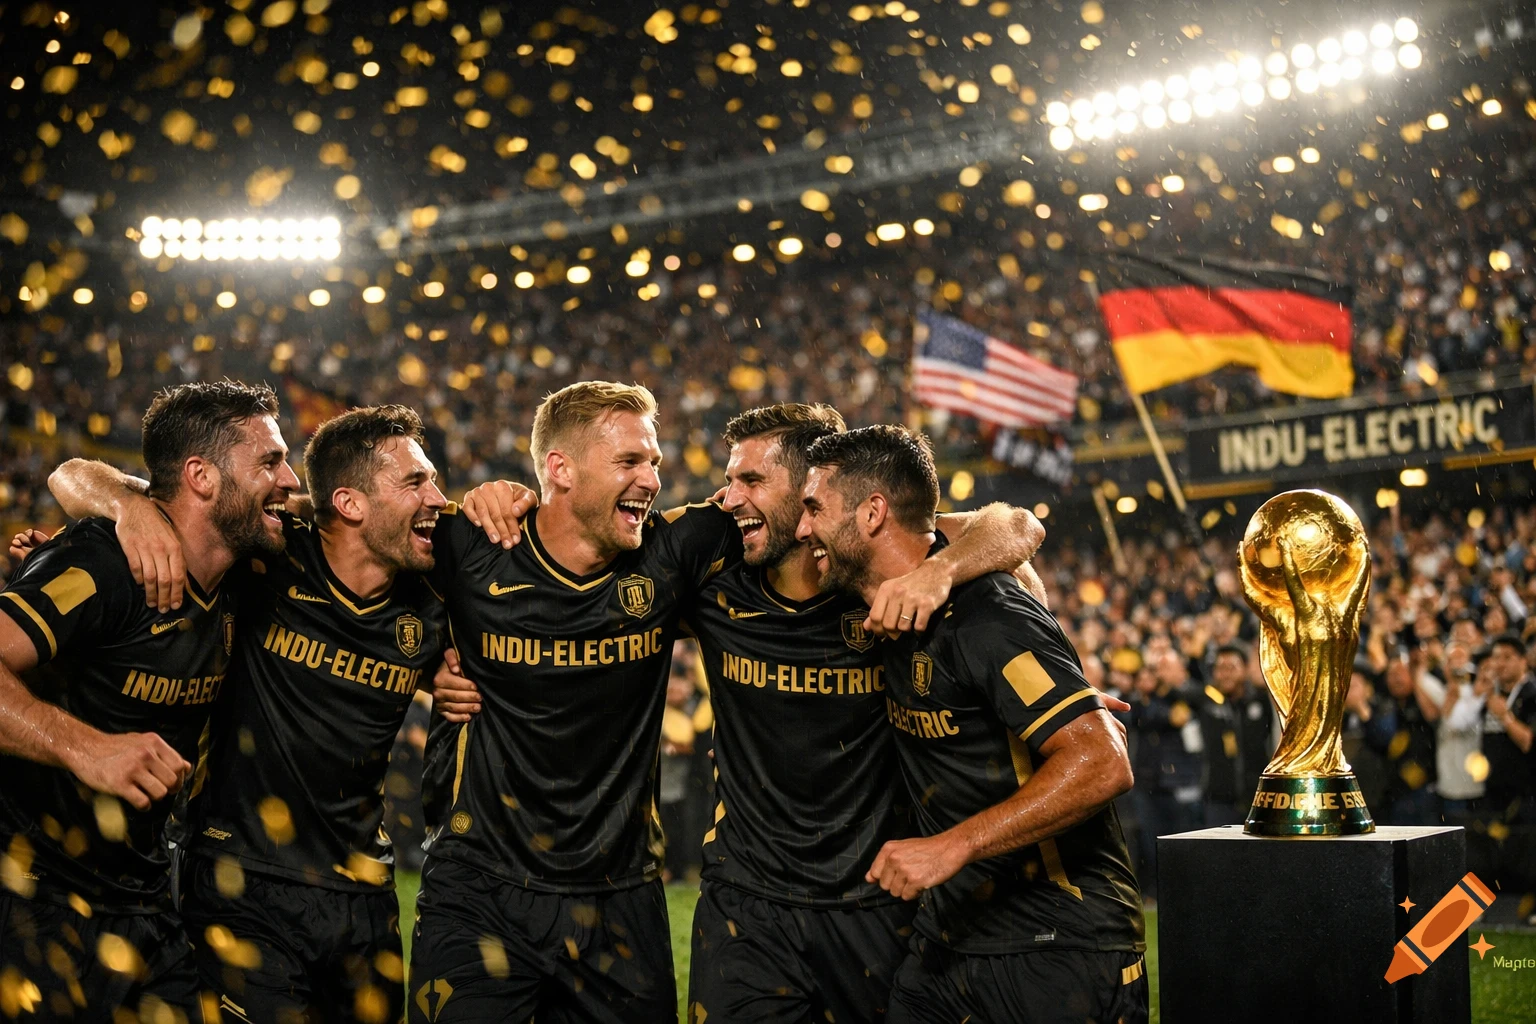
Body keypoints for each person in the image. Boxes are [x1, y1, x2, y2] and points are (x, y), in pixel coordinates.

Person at [436, 402, 1063, 1024]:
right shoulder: (715, 573)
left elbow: (1013, 526)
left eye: (752, 482)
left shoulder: (876, 571)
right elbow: (555, 593)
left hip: (873, 902)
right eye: (730, 479)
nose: (728, 497)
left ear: (818, 492)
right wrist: (441, 660)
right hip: (745, 908)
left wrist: (943, 572)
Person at [47, 405, 463, 1023]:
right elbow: (71, 475)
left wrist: (451, 677)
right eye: (415, 482)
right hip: (240, 880)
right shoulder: (266, 555)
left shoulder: (429, 597)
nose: (438, 498)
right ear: (348, 503)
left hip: (364, 897)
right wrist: (128, 509)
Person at [406, 380, 743, 1023]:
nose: (650, 479)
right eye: (629, 462)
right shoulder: (475, 543)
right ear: (559, 469)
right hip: (480, 890)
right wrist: (146, 503)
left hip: (620, 896)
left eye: (654, 462)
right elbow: (333, 519)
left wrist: (942, 567)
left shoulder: (670, 553)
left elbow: (878, 521)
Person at [798, 425, 1145, 1024]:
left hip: (1058, 942)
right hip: (950, 942)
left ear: (874, 512)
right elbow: (1002, 526)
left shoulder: (986, 613)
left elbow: (1103, 762)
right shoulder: (882, 606)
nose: (804, 531)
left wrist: (953, 846)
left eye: (814, 509)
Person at [0, 381, 298, 1023]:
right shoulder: (105, 563)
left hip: (145, 904)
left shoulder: (245, 570)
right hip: (32, 899)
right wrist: (85, 747)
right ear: (202, 476)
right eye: (270, 462)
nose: (289, 479)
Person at [1470, 634, 1536, 915]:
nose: (1500, 663)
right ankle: (1491, 909)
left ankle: (1528, 910)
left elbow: (1528, 741)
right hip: (1493, 791)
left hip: (1527, 793)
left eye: (1508, 657)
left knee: (1527, 856)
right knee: (1489, 854)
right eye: (1496, 657)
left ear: (1524, 661)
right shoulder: (1490, 695)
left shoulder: (1531, 694)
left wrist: (1505, 716)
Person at [1197, 644, 1274, 826]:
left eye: (1231, 668)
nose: (1225, 674)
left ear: (1245, 669)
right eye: (1220, 668)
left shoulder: (1261, 701)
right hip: (1219, 799)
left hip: (1259, 798)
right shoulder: (1207, 703)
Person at [1379, 652, 1445, 825]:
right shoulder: (1386, 704)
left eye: (1401, 673)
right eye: (1391, 675)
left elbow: (1433, 716)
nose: (1396, 679)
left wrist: (1417, 680)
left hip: (1425, 788)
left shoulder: (1420, 701)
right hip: (1395, 790)